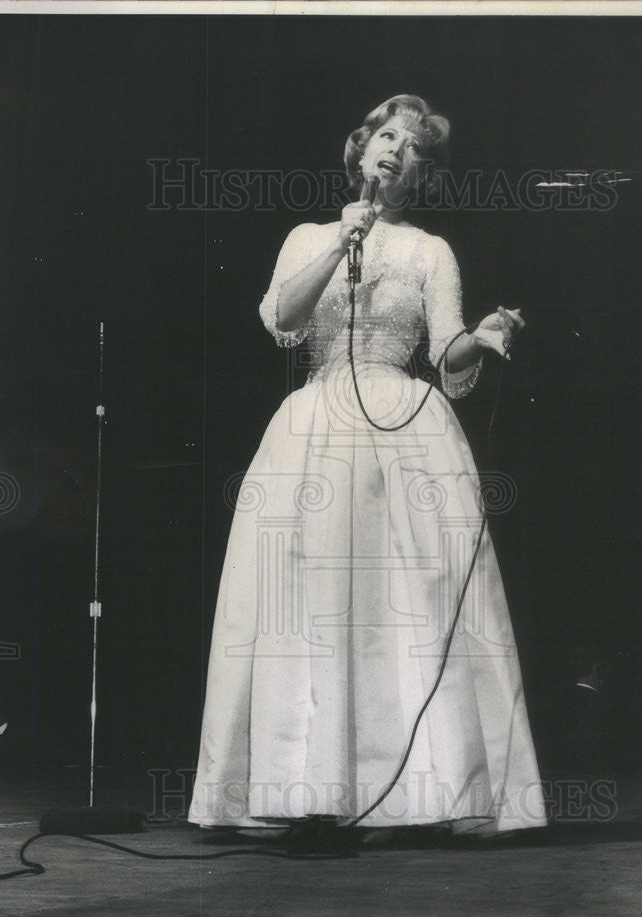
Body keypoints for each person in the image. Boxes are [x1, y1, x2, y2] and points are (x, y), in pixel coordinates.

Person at [188, 95, 547, 842]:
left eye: (411, 146)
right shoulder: (308, 234)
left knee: (400, 606)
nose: (394, 150)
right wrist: (338, 243)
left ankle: (409, 795)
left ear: (420, 173)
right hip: (318, 420)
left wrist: (480, 337)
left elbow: (445, 356)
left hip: (404, 426)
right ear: (359, 151)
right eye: (385, 136)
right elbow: (283, 323)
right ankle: (299, 790)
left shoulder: (430, 251)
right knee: (306, 602)